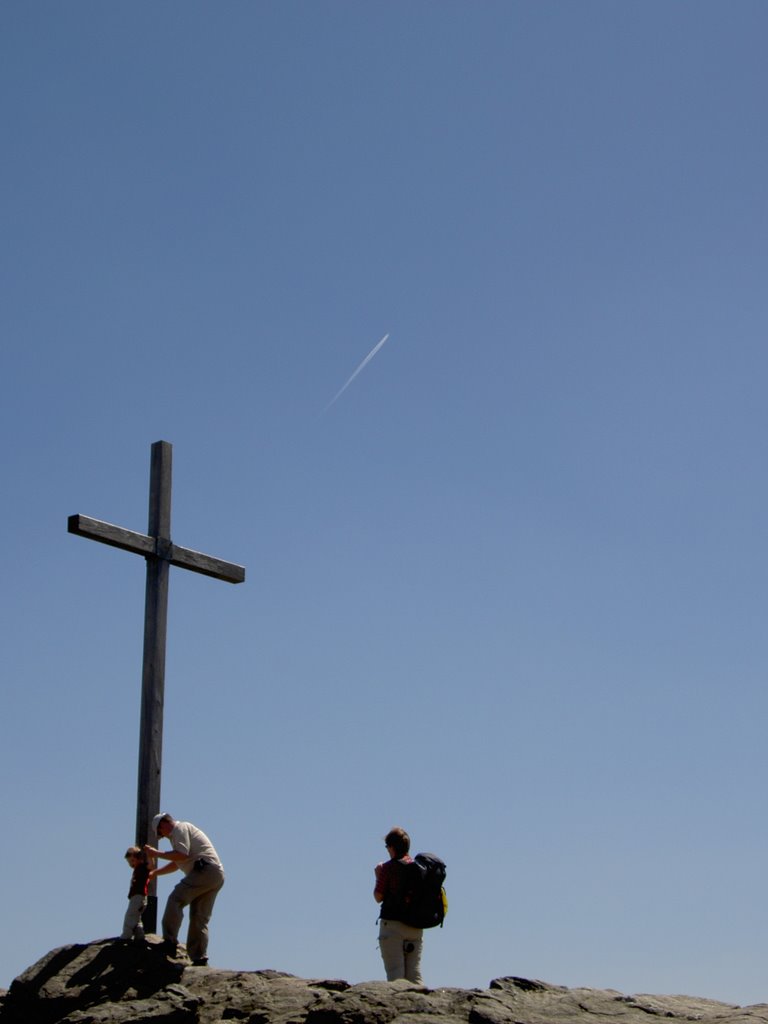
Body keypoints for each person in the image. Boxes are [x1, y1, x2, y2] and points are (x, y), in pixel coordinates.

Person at [144, 812, 225, 966]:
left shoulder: (180, 829)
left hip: (204, 871)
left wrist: (156, 854)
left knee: (176, 899)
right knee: (199, 916)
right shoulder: (180, 834)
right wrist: (156, 873)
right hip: (215, 874)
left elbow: (181, 855)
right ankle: (199, 957)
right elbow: (178, 862)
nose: (163, 837)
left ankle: (169, 941)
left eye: (160, 833)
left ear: (163, 824)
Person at [373, 826, 424, 984]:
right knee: (414, 975)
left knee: (396, 975)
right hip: (415, 926)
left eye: (387, 847)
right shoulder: (419, 868)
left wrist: (378, 876)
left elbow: (378, 896)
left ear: (392, 847)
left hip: (393, 926)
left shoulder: (388, 868)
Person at [121, 846, 150, 941]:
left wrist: (150, 854)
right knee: (137, 918)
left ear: (139, 858)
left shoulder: (143, 867)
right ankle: (140, 936)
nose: (131, 864)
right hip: (137, 897)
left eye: (133, 860)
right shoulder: (137, 870)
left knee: (130, 916)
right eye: (129, 862)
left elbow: (151, 865)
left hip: (138, 897)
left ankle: (126, 936)